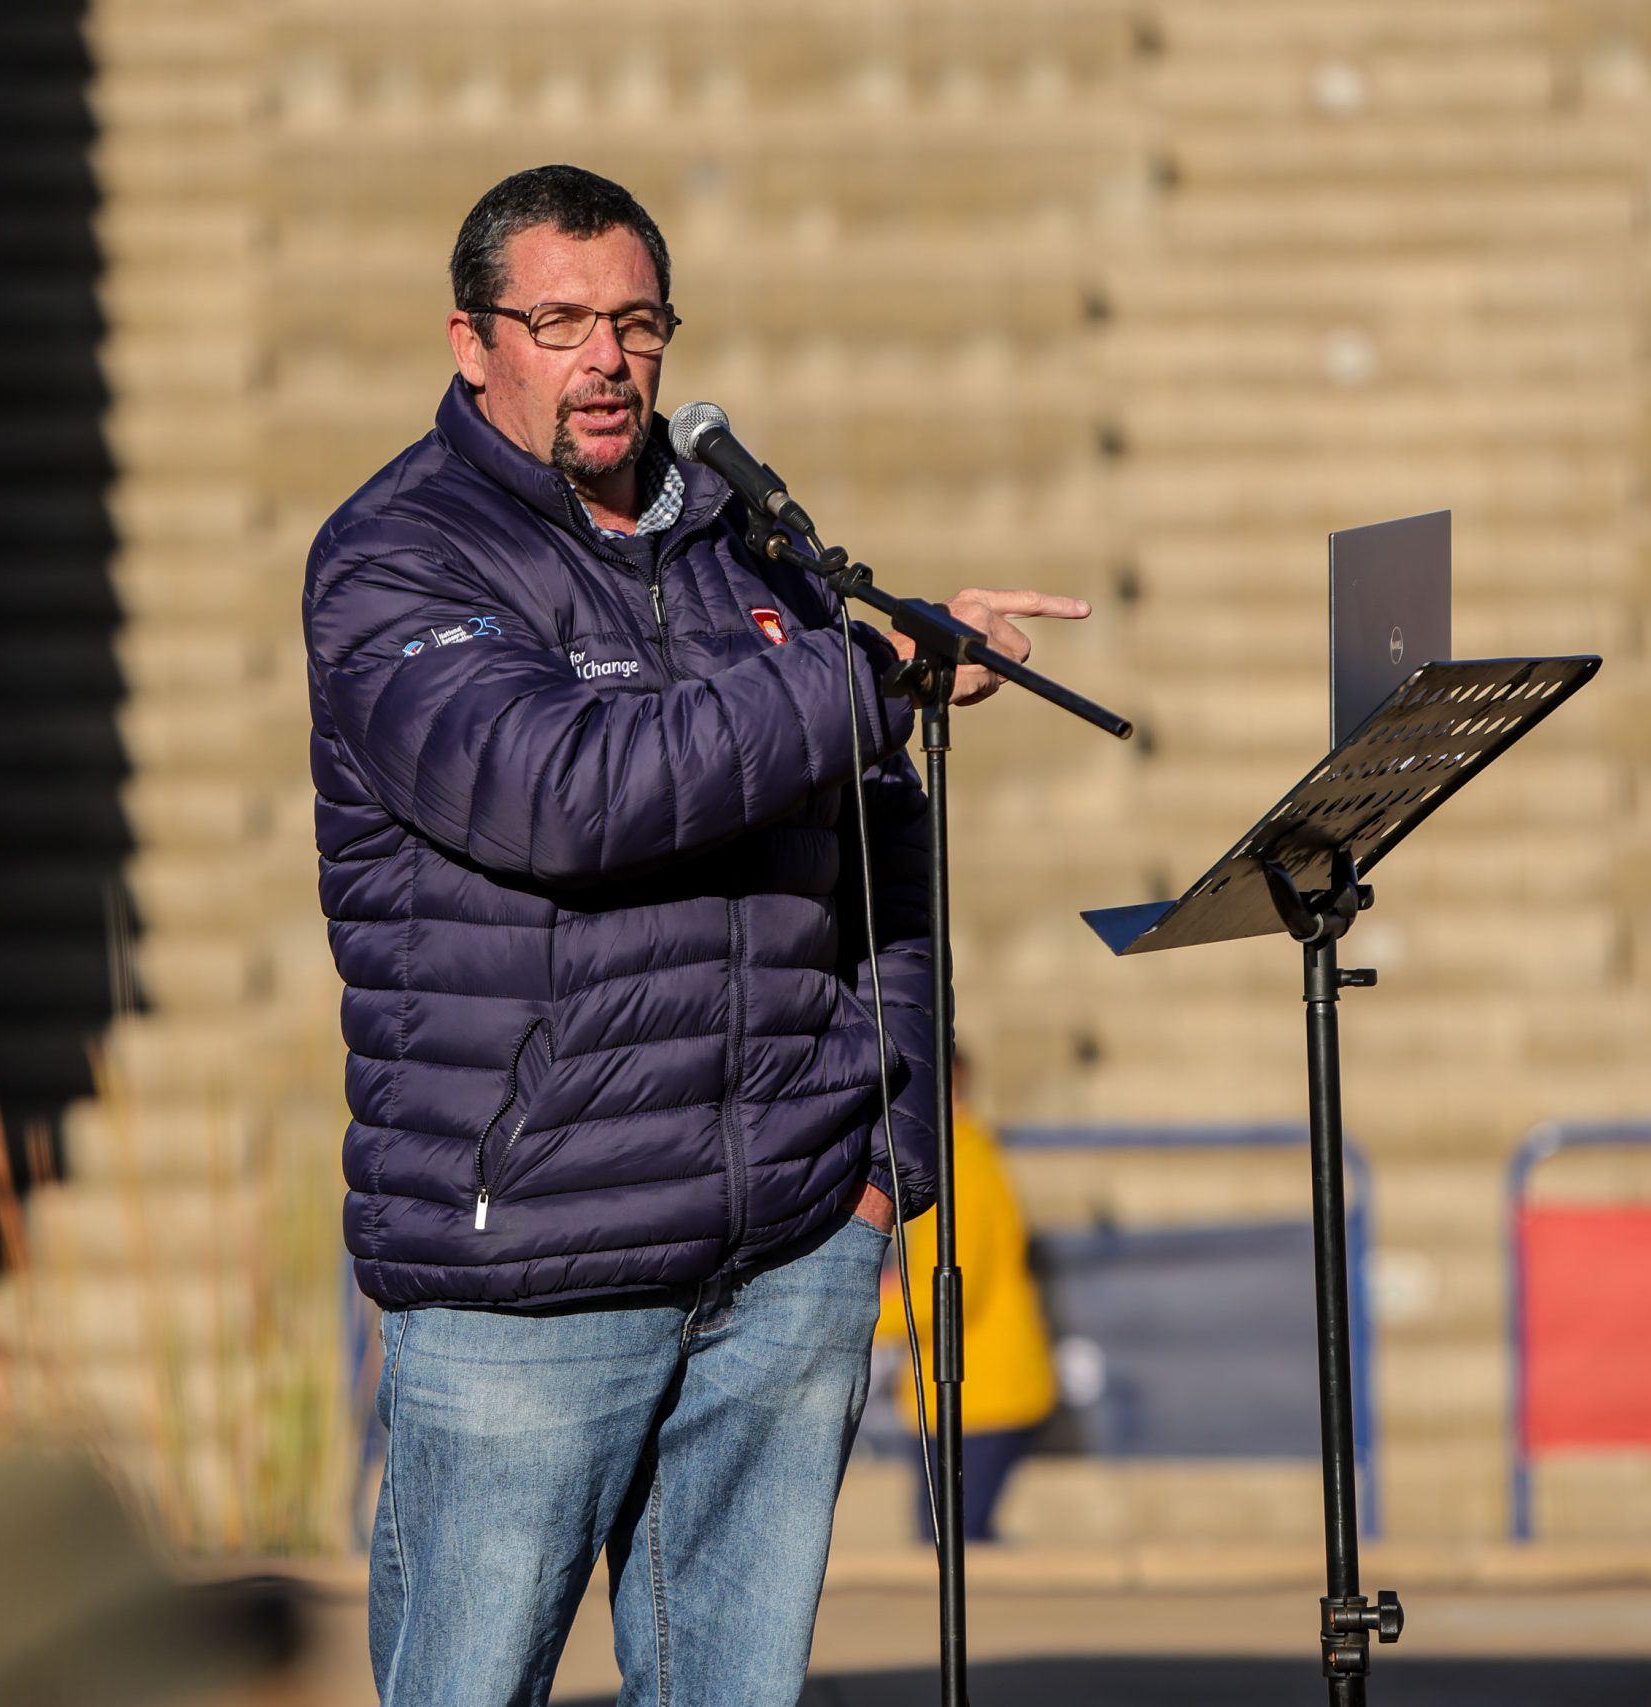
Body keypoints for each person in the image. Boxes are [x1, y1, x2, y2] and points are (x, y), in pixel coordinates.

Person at [301, 163, 1087, 1707]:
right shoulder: (398, 554)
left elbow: (884, 840)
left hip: (788, 1250)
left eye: (638, 321)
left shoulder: (752, 537)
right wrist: (870, 673)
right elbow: (559, 793)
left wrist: (884, 1158)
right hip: (532, 1267)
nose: (608, 358)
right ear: (473, 340)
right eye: (561, 321)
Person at [881, 1051, 1059, 1544]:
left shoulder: (961, 1166)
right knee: (955, 1542)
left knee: (953, 1548)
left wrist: (857, 1314)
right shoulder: (957, 1158)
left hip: (982, 1397)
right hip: (970, 1396)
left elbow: (950, 1293)